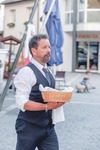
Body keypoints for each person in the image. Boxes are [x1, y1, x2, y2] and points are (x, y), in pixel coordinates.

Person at [14, 34, 65, 150]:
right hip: (28, 128)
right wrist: (46, 106)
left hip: (48, 128)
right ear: (34, 51)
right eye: (44, 47)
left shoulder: (48, 71)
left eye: (49, 47)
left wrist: (60, 99)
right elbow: (21, 102)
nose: (49, 50)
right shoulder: (26, 72)